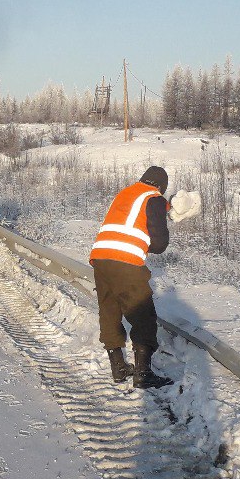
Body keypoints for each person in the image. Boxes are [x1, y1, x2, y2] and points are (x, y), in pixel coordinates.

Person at [89, 165, 173, 389]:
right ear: (161, 186)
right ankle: (143, 374)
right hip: (125, 262)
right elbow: (159, 244)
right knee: (143, 315)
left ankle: (118, 368)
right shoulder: (153, 197)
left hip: (100, 258)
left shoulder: (126, 193)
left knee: (109, 311)